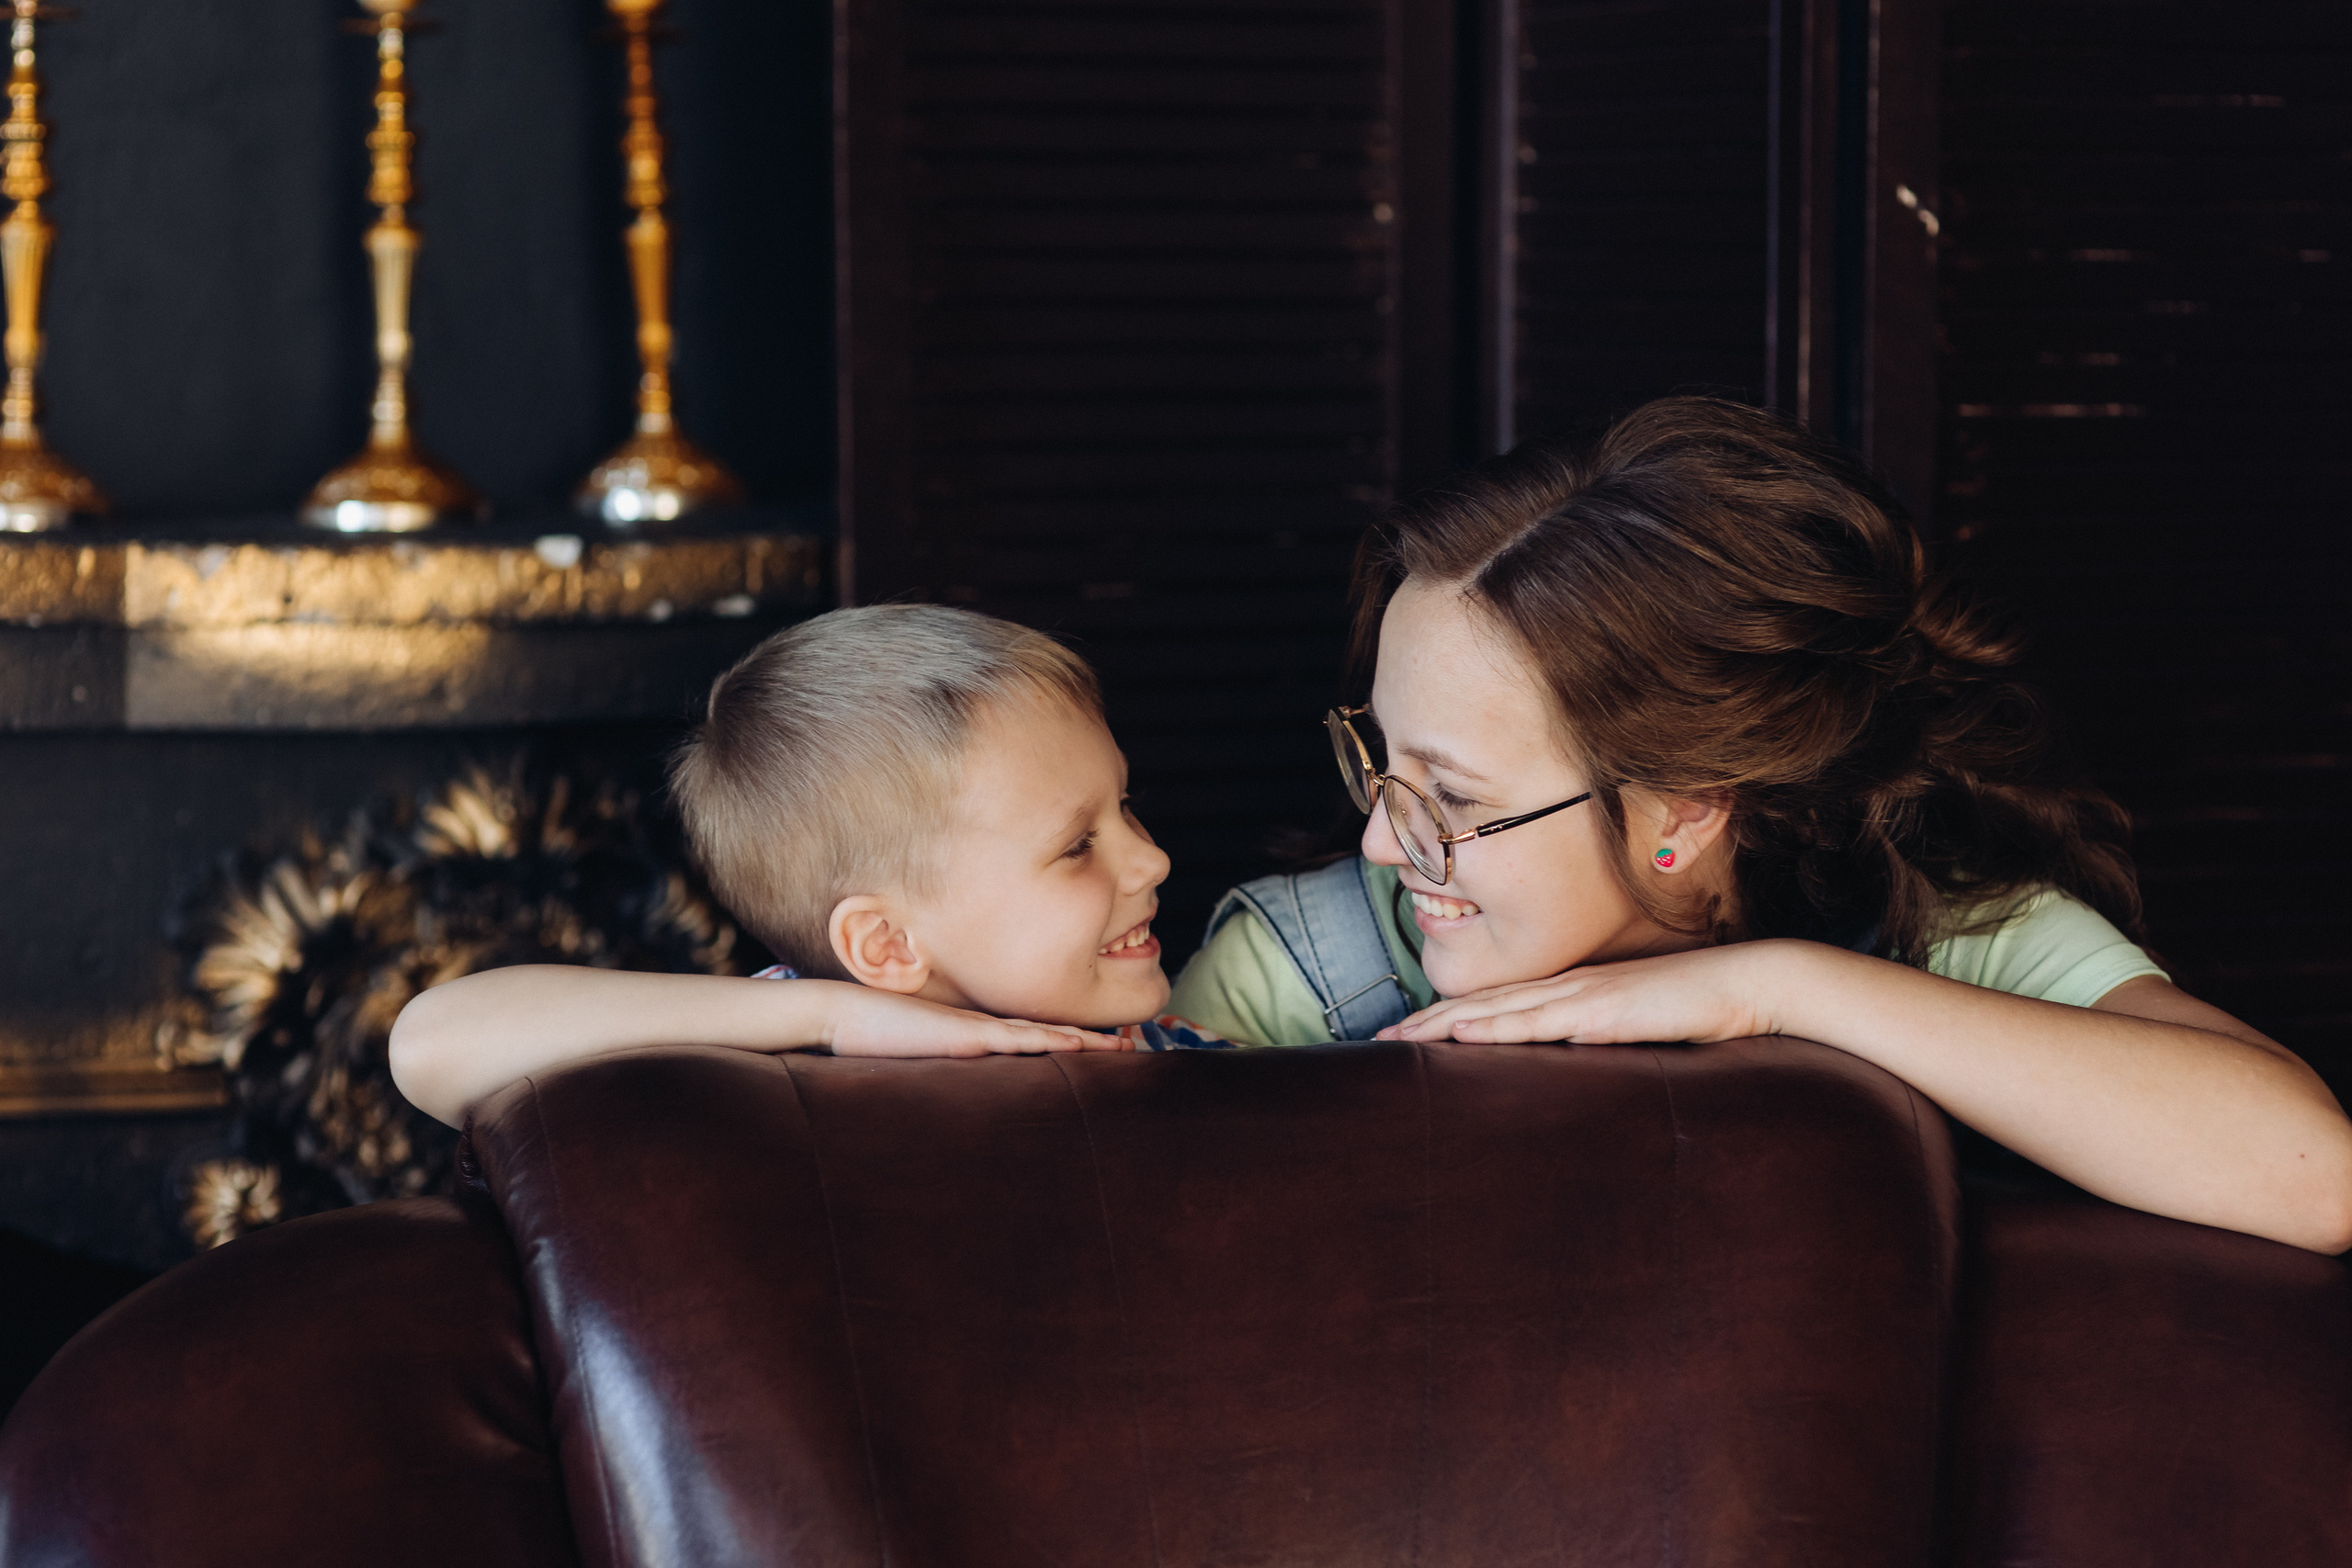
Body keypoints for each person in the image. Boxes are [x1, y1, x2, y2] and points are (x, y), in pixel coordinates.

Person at [1171, 397, 2352, 1254]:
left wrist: (1785, 989)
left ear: (1686, 808)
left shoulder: (1938, 928)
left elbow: (2315, 1175)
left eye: (1458, 800)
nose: (1382, 844)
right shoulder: (1300, 972)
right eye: (1380, 760)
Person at [390, 605, 1225, 1130]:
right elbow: (433, 1044)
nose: (1152, 857)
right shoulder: (784, 1060)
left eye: (1125, 805)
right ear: (888, 944)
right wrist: (833, 1017)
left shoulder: (1168, 1055)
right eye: (1077, 844)